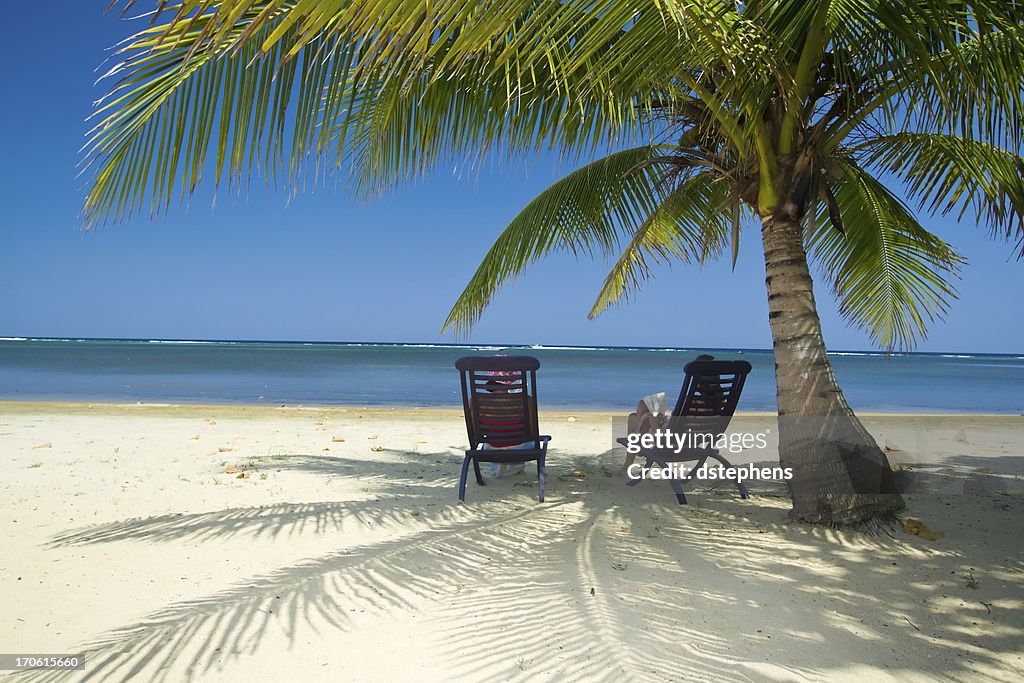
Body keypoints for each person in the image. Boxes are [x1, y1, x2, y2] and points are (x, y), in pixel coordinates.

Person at [619, 354, 716, 476]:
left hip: (668, 444)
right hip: (693, 443)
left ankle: (627, 466)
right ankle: (628, 463)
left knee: (635, 414)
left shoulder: (689, 401)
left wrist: (655, 423)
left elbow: (666, 434)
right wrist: (666, 421)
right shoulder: (722, 402)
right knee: (655, 402)